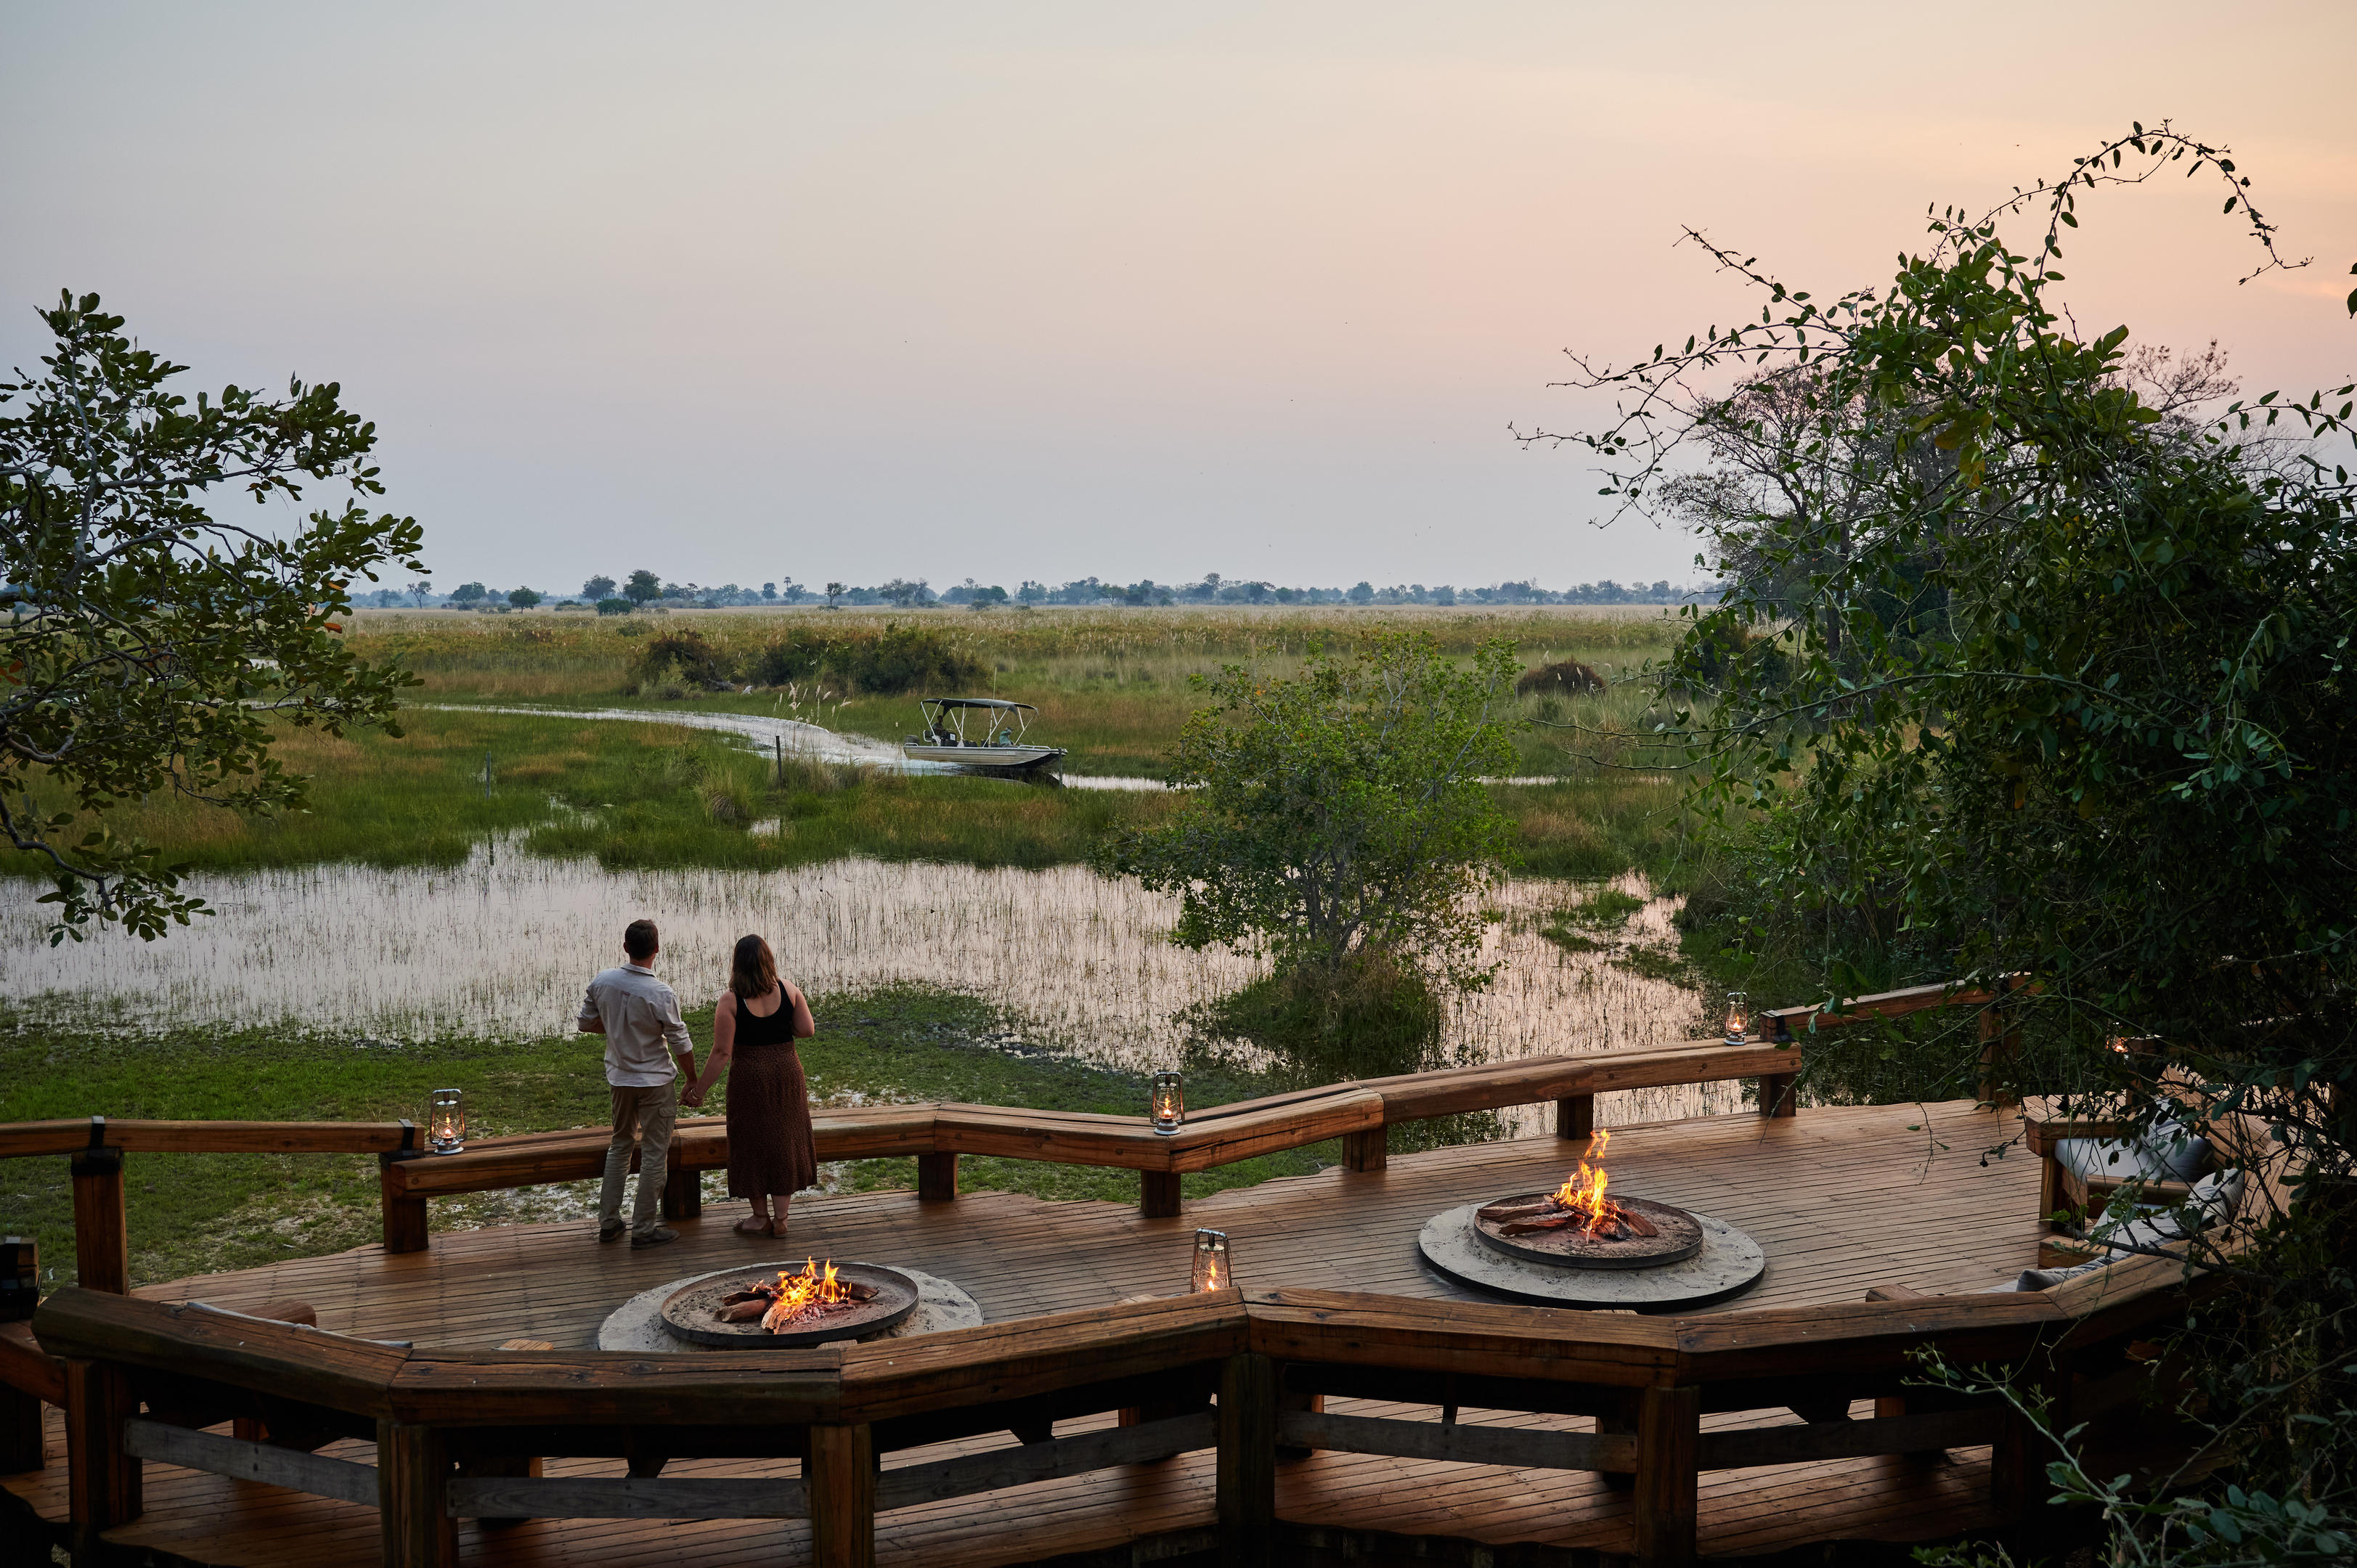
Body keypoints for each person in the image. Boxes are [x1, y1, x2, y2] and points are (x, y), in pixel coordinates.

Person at [682, 934, 816, 1238]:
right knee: (785, 1138)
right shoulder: (789, 989)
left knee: (751, 1140)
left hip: (749, 1076)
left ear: (737, 965)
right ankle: (782, 1218)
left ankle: (759, 1217)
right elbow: (807, 1030)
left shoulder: (731, 1000)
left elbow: (721, 1052)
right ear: (768, 960)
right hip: (786, 1071)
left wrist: (699, 1091)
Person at [577, 918, 699, 1249]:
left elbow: (587, 1023)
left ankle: (609, 1223)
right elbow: (681, 1043)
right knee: (655, 1153)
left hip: (620, 1079)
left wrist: (617, 1029)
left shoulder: (603, 981)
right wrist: (691, 1079)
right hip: (656, 1082)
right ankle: (644, 1228)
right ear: (656, 950)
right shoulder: (660, 993)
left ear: (626, 947)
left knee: (620, 1145)